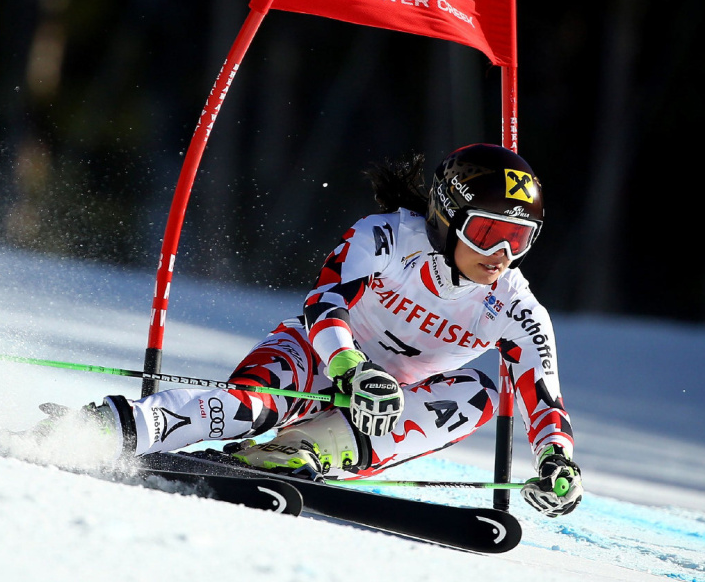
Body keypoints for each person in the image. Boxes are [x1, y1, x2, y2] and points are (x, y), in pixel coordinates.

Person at [32, 144, 582, 517]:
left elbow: (543, 395)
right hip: (322, 355)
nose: (502, 255)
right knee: (253, 407)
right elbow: (326, 304)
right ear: (445, 217)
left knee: (480, 395)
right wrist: (349, 369)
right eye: (487, 233)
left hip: (390, 402)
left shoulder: (516, 306)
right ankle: (117, 425)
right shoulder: (388, 239)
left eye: (520, 238)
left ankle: (297, 454)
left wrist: (558, 459)